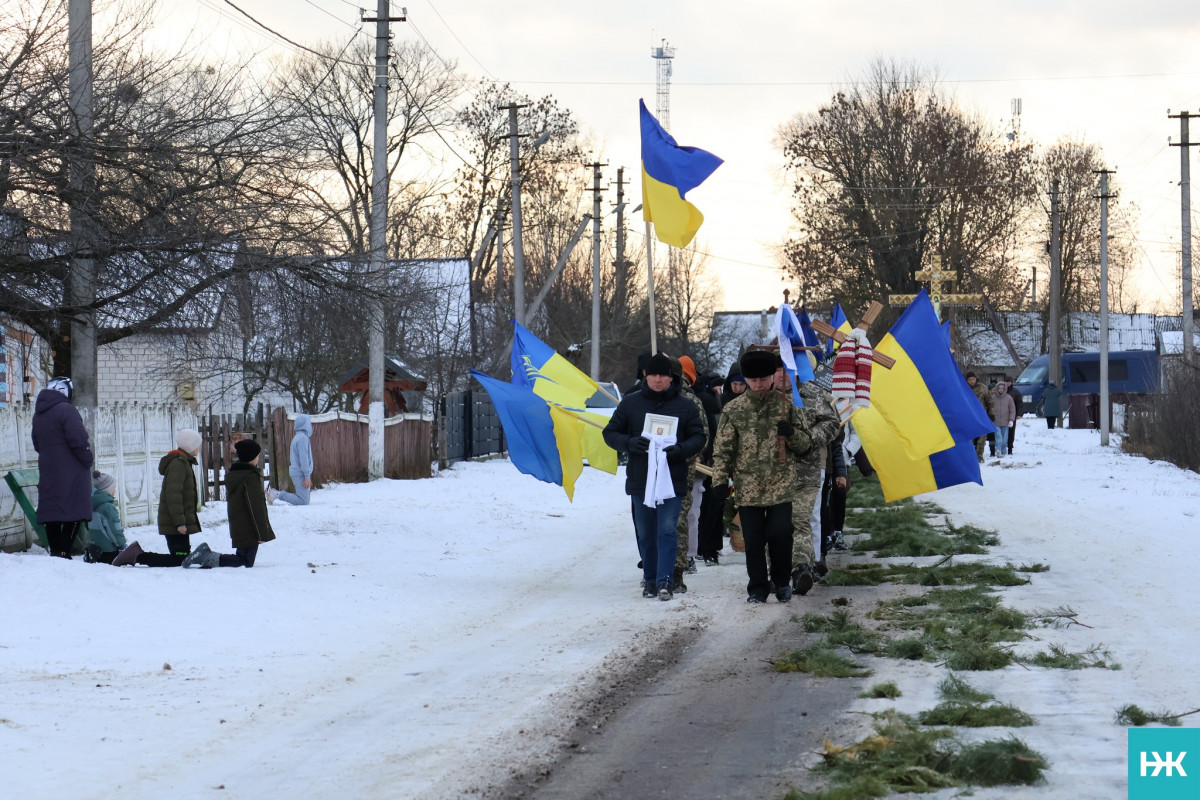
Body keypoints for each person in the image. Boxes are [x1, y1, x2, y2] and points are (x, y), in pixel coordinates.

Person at [711, 350, 814, 604]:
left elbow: (805, 445)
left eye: (763, 379)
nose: (758, 385)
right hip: (748, 487)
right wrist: (720, 480)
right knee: (754, 540)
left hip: (781, 485)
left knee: (780, 535)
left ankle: (781, 582)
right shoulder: (733, 410)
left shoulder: (787, 405)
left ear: (772, 377)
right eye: (753, 380)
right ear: (746, 380)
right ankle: (757, 586)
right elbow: (723, 449)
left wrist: (790, 433)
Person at [603, 353, 706, 601]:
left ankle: (665, 581)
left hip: (672, 480)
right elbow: (610, 433)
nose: (657, 379)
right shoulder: (630, 403)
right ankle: (649, 579)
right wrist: (630, 443)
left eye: (662, 375)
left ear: (671, 378)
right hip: (641, 480)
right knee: (646, 532)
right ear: (645, 376)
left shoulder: (686, 405)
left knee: (668, 529)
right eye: (653, 374)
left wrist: (681, 450)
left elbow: (699, 437)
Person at [774, 362, 839, 597]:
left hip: (808, 467)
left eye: (785, 369)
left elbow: (833, 424)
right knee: (776, 523)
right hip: (772, 472)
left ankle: (806, 568)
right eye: (776, 370)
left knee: (806, 518)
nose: (781, 375)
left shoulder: (811, 393)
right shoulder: (763, 398)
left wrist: (807, 439)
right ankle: (779, 571)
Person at [113, 429, 204, 567]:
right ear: (190, 447)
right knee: (179, 559)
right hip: (175, 522)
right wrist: (179, 522)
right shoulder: (179, 464)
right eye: (198, 445)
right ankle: (138, 556)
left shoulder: (183, 462)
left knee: (182, 556)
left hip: (177, 521)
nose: (200, 447)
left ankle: (137, 555)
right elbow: (173, 495)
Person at [183, 438, 277, 569]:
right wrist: (261, 533)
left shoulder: (237, 474)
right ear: (251, 457)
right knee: (245, 561)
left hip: (240, 525)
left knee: (243, 559)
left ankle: (206, 557)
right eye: (258, 455)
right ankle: (206, 556)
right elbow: (256, 508)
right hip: (250, 528)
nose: (258, 458)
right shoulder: (250, 478)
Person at [30, 376, 95, 559]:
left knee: (52, 510)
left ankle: (55, 549)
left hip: (48, 468)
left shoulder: (39, 413)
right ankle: (63, 551)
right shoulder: (67, 410)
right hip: (72, 469)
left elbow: (36, 443)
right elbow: (79, 439)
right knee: (75, 508)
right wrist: (87, 459)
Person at [270, 414, 314, 506]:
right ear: (305, 425)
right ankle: (276, 494)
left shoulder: (298, 437)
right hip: (300, 473)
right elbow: (304, 459)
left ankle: (276, 494)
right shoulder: (302, 438)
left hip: (298, 472)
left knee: (305, 499)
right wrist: (307, 476)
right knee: (303, 501)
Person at [85, 472, 128, 564]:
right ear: (107, 490)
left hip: (94, 550)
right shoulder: (108, 508)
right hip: (109, 551)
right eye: (113, 488)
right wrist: (121, 545)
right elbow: (115, 530)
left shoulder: (89, 505)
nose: (115, 490)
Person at [965, 372, 993, 463]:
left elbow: (989, 401)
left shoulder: (982, 388)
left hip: (982, 416)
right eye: (969, 380)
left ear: (976, 379)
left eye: (973, 379)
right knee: (971, 438)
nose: (972, 381)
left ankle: (979, 456)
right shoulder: (963, 388)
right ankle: (971, 456)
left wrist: (991, 414)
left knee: (982, 437)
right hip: (969, 416)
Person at [991, 379, 1016, 458]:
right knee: (998, 437)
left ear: (1005, 389)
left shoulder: (1009, 398)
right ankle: (998, 450)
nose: (1001, 390)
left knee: (1005, 439)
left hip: (1006, 422)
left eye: (1002, 388)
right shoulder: (993, 398)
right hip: (996, 422)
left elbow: (1012, 409)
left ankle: (1003, 451)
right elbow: (990, 408)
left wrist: (1011, 420)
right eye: (999, 388)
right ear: (997, 389)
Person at [1005, 375, 1023, 454]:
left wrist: (1019, 413)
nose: (1007, 383)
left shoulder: (1015, 392)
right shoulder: (1001, 390)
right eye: (1006, 381)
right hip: (1002, 414)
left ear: (1011, 382)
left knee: (1011, 432)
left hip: (1012, 414)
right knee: (1002, 432)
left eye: (1008, 382)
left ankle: (1010, 448)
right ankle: (1002, 448)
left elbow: (1019, 403)